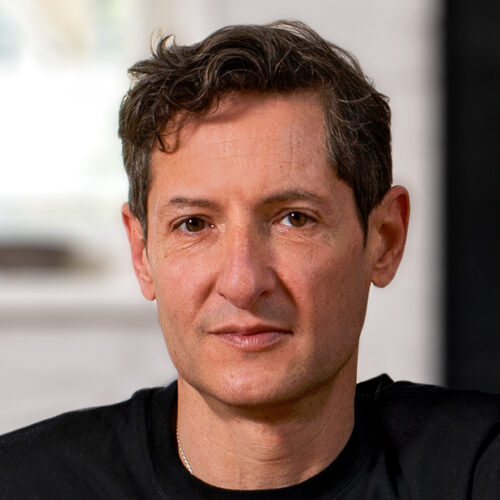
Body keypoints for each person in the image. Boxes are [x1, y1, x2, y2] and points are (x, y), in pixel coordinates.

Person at [0, 20, 499, 499]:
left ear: (385, 239)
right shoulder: (23, 484)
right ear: (142, 252)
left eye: (294, 219)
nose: (242, 283)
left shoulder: (476, 470)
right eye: (194, 224)